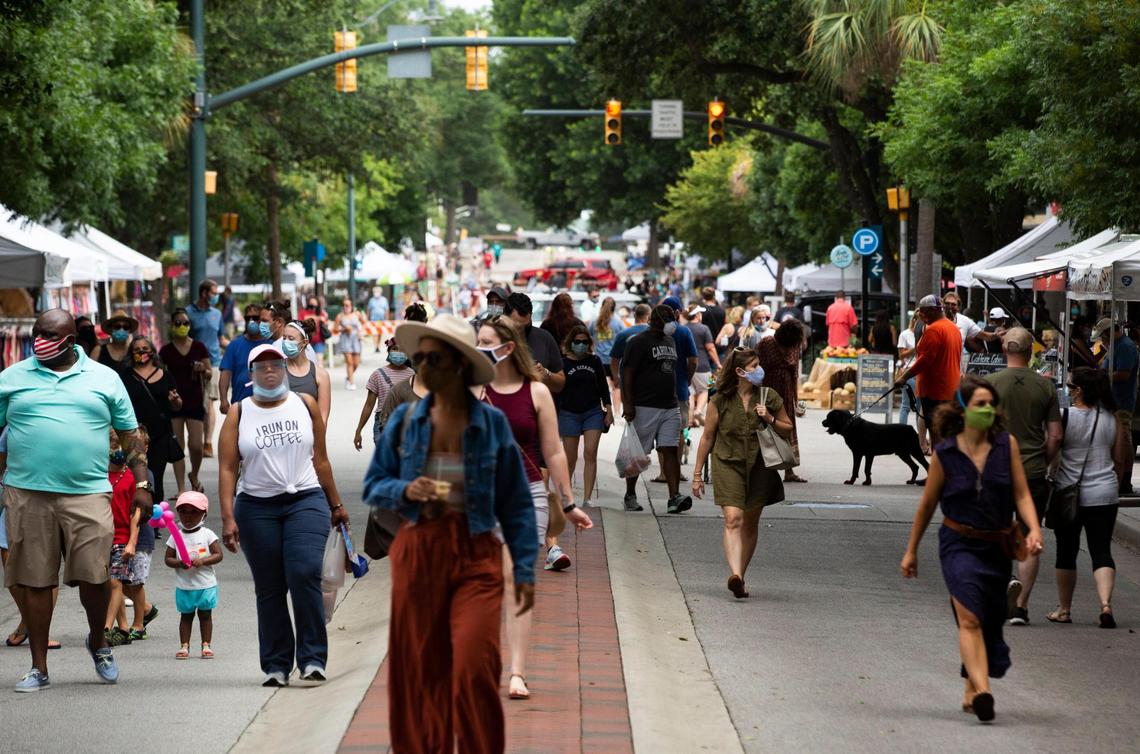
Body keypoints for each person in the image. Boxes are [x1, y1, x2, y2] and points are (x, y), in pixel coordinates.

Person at [363, 314, 539, 753]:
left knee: (473, 665)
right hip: (419, 551)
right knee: (422, 672)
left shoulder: (491, 424)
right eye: (420, 356)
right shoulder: (406, 420)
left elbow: (516, 504)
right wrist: (405, 488)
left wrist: (524, 571)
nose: (422, 365)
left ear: (460, 364)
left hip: (476, 553)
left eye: (433, 357)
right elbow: (374, 484)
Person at [0, 309, 153, 691]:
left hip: (87, 492)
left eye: (48, 335)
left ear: (71, 341)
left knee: (95, 576)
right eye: (36, 333)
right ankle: (39, 666)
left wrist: (143, 484)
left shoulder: (104, 378)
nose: (39, 341)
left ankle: (98, 642)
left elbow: (129, 432)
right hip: (27, 494)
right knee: (35, 581)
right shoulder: (12, 377)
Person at [901, 375, 1045, 723]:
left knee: (990, 621)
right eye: (980, 404)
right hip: (958, 545)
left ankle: (971, 684)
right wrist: (911, 550)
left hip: (997, 545)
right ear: (963, 410)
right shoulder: (946, 452)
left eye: (991, 404)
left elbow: (1022, 494)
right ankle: (983, 691)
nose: (987, 410)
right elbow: (927, 505)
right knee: (970, 618)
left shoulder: (1005, 445)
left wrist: (1034, 529)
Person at [218, 344, 350, 686]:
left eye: (275, 364)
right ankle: (276, 665)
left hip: (305, 499)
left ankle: (312, 659)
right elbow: (228, 468)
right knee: (270, 586)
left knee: (304, 571)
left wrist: (336, 504)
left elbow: (321, 459)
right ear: (251, 375)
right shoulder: (239, 413)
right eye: (261, 367)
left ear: (285, 369)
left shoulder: (304, 405)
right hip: (257, 507)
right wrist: (228, 516)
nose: (270, 371)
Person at [477, 316, 592, 701]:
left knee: (518, 578)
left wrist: (570, 503)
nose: (479, 349)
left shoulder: (536, 392)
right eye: (477, 342)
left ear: (508, 348)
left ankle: (518, 672)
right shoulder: (471, 389)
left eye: (486, 342)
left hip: (526, 494)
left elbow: (555, 451)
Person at [691, 348, 793, 599]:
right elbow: (707, 438)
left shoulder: (768, 396)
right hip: (727, 463)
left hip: (760, 465)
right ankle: (735, 574)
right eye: (754, 366)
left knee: (750, 521)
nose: (760, 370)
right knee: (733, 518)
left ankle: (740, 577)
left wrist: (769, 417)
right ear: (739, 372)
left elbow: (787, 428)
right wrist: (696, 474)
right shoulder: (720, 400)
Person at [988, 328, 1063, 625]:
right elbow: (1055, 436)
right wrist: (1041, 460)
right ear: (1031, 350)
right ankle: (1020, 607)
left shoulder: (989, 384)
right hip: (1031, 473)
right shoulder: (1046, 387)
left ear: (1005, 349)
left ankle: (1004, 582)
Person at [1047, 367, 1125, 629]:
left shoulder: (1064, 417)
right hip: (1105, 493)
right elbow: (1120, 461)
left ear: (1078, 391)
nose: (1067, 392)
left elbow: (1052, 451)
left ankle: (1064, 609)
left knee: (1066, 552)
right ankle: (1105, 604)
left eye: (1069, 387)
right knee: (1101, 550)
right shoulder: (1112, 420)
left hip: (1069, 493)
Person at [622, 305, 692, 514]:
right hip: (645, 405)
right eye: (668, 318)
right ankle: (630, 494)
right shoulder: (638, 342)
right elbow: (627, 374)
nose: (672, 322)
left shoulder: (670, 340)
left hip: (670, 405)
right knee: (639, 453)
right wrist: (628, 404)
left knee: (670, 449)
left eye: (674, 317)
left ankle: (674, 497)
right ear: (655, 319)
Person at [121, 335, 181, 507]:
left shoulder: (166, 375)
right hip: (133, 434)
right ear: (131, 354)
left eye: (145, 349)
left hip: (160, 434)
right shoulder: (125, 376)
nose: (141, 352)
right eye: (136, 350)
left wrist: (174, 401)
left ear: (153, 352)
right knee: (135, 475)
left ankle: (155, 518)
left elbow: (177, 406)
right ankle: (136, 515)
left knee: (156, 476)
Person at [894, 296, 963, 445]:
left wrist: (903, 377)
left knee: (936, 435)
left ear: (933, 310)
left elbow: (924, 360)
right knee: (946, 433)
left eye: (923, 312)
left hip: (935, 391)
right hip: (951, 388)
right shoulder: (954, 328)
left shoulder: (933, 330)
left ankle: (937, 466)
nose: (921, 316)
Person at [557, 324, 614, 503]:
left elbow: (603, 387)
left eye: (584, 341)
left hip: (593, 412)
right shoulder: (563, 362)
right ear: (570, 342)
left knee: (590, 453)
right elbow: (558, 388)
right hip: (569, 413)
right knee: (570, 457)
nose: (581, 344)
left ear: (589, 343)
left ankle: (587, 498)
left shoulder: (594, 361)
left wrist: (609, 409)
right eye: (577, 341)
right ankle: (565, 494)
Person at [160, 308, 212, 494]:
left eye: (186, 323)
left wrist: (202, 370)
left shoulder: (199, 347)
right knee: (178, 447)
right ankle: (182, 488)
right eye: (178, 323)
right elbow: (160, 373)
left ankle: (194, 475)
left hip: (194, 400)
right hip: (174, 402)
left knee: (196, 446)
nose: (182, 326)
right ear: (172, 325)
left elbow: (209, 372)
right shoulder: (165, 350)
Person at [166, 491, 222, 660]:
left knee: (205, 615)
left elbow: (218, 555)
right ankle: (184, 646)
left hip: (205, 584)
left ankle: (206, 645)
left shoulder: (207, 534)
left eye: (194, 512)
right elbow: (168, 558)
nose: (187, 517)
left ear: (204, 514)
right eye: (183, 512)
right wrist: (179, 563)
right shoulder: (176, 535)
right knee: (186, 616)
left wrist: (204, 561)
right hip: (185, 585)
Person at [757, 319, 808, 483]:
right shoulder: (767, 343)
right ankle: (763, 468)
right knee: (765, 428)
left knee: (786, 428)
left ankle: (789, 470)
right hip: (767, 391)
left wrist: (796, 400)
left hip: (785, 393)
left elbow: (794, 374)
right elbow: (758, 369)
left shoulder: (794, 346)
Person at [1092, 317, 1138, 493]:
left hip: (1122, 401)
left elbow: (1124, 374)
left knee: (1124, 439)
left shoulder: (1125, 346)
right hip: (1113, 400)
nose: (1102, 341)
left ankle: (1124, 480)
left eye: (1103, 337)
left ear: (1110, 332)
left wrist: (1103, 378)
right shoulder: (1115, 346)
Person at [104, 432, 141, 647]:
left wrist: (132, 542)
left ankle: (106, 628)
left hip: (121, 538)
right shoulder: (99, 474)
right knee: (109, 584)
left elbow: (134, 513)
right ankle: (124, 627)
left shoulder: (130, 477)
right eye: (111, 445)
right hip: (102, 537)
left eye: (118, 445)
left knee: (115, 582)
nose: (115, 450)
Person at [187, 279, 227, 458]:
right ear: (204, 293)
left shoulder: (217, 314)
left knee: (209, 402)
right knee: (197, 404)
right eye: (214, 292)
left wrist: (236, 346)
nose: (216, 295)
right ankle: (194, 439)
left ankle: (208, 442)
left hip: (214, 364)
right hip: (193, 366)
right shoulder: (188, 313)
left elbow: (221, 339)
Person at [355, 337, 415, 449]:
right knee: (385, 458)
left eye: (402, 349)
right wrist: (359, 430)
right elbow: (369, 405)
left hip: (406, 422)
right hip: (382, 421)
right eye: (395, 349)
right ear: (388, 351)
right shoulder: (377, 374)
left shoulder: (412, 375)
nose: (398, 352)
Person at [505, 292, 566, 393]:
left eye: (526, 325)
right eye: (516, 327)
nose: (521, 331)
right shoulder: (495, 339)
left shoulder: (545, 338)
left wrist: (545, 374)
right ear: (505, 318)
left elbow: (560, 385)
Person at [219, 302, 266, 415]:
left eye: (255, 317)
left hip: (267, 404)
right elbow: (225, 374)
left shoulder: (271, 343)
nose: (251, 320)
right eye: (247, 318)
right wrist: (223, 400)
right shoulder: (234, 345)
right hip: (241, 405)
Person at [282, 319, 332, 424]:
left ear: (304, 342)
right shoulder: (277, 370)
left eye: (291, 338)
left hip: (310, 437)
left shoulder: (321, 375)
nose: (286, 342)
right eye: (284, 338)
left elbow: (322, 418)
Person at [896, 311, 929, 451]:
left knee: (920, 406)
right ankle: (901, 435)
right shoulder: (905, 334)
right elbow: (902, 355)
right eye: (917, 318)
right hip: (909, 371)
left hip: (921, 371)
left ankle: (918, 438)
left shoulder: (926, 332)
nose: (919, 321)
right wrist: (915, 348)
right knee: (906, 405)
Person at [589, 296, 625, 414]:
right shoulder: (618, 323)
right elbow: (624, 338)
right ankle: (617, 412)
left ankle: (601, 409)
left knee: (598, 385)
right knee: (616, 386)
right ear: (614, 309)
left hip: (598, 359)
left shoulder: (594, 321)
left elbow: (588, 336)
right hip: (613, 360)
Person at [685, 305, 720, 427]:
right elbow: (710, 348)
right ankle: (698, 411)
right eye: (700, 313)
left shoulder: (684, 328)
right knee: (705, 390)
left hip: (686, 366)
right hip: (703, 366)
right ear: (697, 315)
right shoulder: (704, 328)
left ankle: (689, 420)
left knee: (690, 393)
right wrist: (718, 363)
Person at [609, 303, 651, 386]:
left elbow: (614, 361)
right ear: (649, 316)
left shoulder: (622, 334)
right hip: (649, 380)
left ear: (634, 315)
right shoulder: (656, 333)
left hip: (628, 380)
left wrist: (616, 379)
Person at [91, 309, 138, 373]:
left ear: (129, 331)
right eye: (117, 326)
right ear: (110, 329)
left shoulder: (135, 351)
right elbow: (90, 375)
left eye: (126, 327)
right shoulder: (98, 351)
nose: (122, 330)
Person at [336, 298, 365, 390]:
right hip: (345, 340)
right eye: (344, 305)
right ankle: (351, 383)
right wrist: (344, 329)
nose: (346, 307)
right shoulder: (340, 316)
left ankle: (348, 377)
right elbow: (335, 329)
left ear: (351, 306)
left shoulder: (357, 314)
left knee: (356, 363)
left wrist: (360, 331)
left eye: (347, 305)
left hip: (356, 339)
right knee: (349, 362)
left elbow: (364, 323)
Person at [367, 286, 390, 352]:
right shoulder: (371, 300)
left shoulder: (384, 299)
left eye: (377, 291)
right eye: (375, 292)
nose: (376, 293)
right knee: (374, 333)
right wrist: (367, 318)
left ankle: (378, 345)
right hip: (373, 319)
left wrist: (386, 319)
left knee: (380, 332)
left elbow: (386, 310)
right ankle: (375, 346)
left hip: (381, 319)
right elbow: (369, 310)